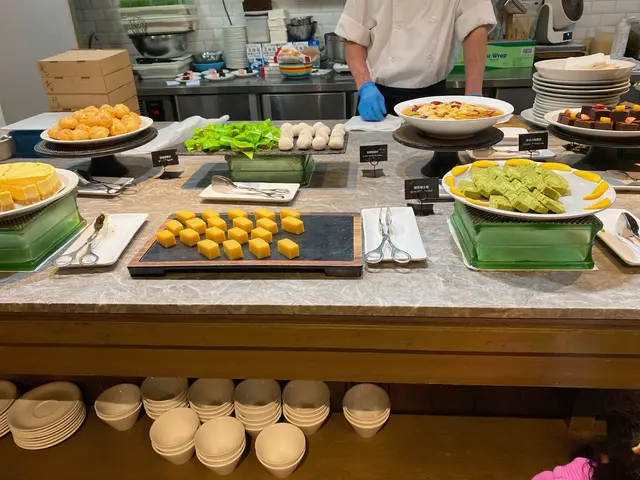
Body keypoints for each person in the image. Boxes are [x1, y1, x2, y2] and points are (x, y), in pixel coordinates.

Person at [334, 1, 497, 122]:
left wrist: (474, 96)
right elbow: (354, 37)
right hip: (379, 98)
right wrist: (365, 86)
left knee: (438, 159)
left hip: (435, 101)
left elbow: (476, 26)